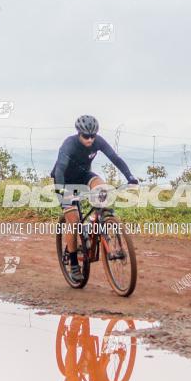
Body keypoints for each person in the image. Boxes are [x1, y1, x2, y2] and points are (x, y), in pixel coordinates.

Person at [50, 115, 138, 281]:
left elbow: (115, 158)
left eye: (93, 136)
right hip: (65, 180)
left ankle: (95, 220)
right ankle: (74, 262)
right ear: (79, 134)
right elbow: (60, 168)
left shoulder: (98, 141)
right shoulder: (69, 144)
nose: (90, 140)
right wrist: (63, 191)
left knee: (102, 189)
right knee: (74, 222)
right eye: (86, 136)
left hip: (84, 176)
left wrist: (130, 176)